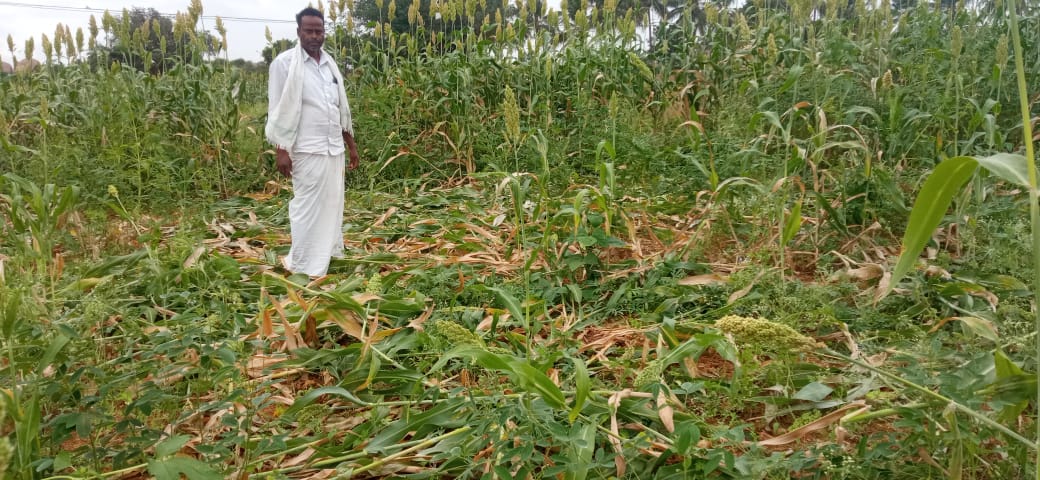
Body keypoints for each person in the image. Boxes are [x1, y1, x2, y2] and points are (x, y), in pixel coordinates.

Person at [266, 7, 360, 278]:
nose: (315, 36)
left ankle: (328, 254)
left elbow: (338, 108)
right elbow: (278, 109)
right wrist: (281, 150)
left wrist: (351, 145)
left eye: (319, 31)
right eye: (309, 31)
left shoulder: (329, 65)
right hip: (306, 148)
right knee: (306, 206)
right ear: (299, 32)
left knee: (332, 203)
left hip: (333, 148)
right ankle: (303, 265)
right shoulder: (284, 64)